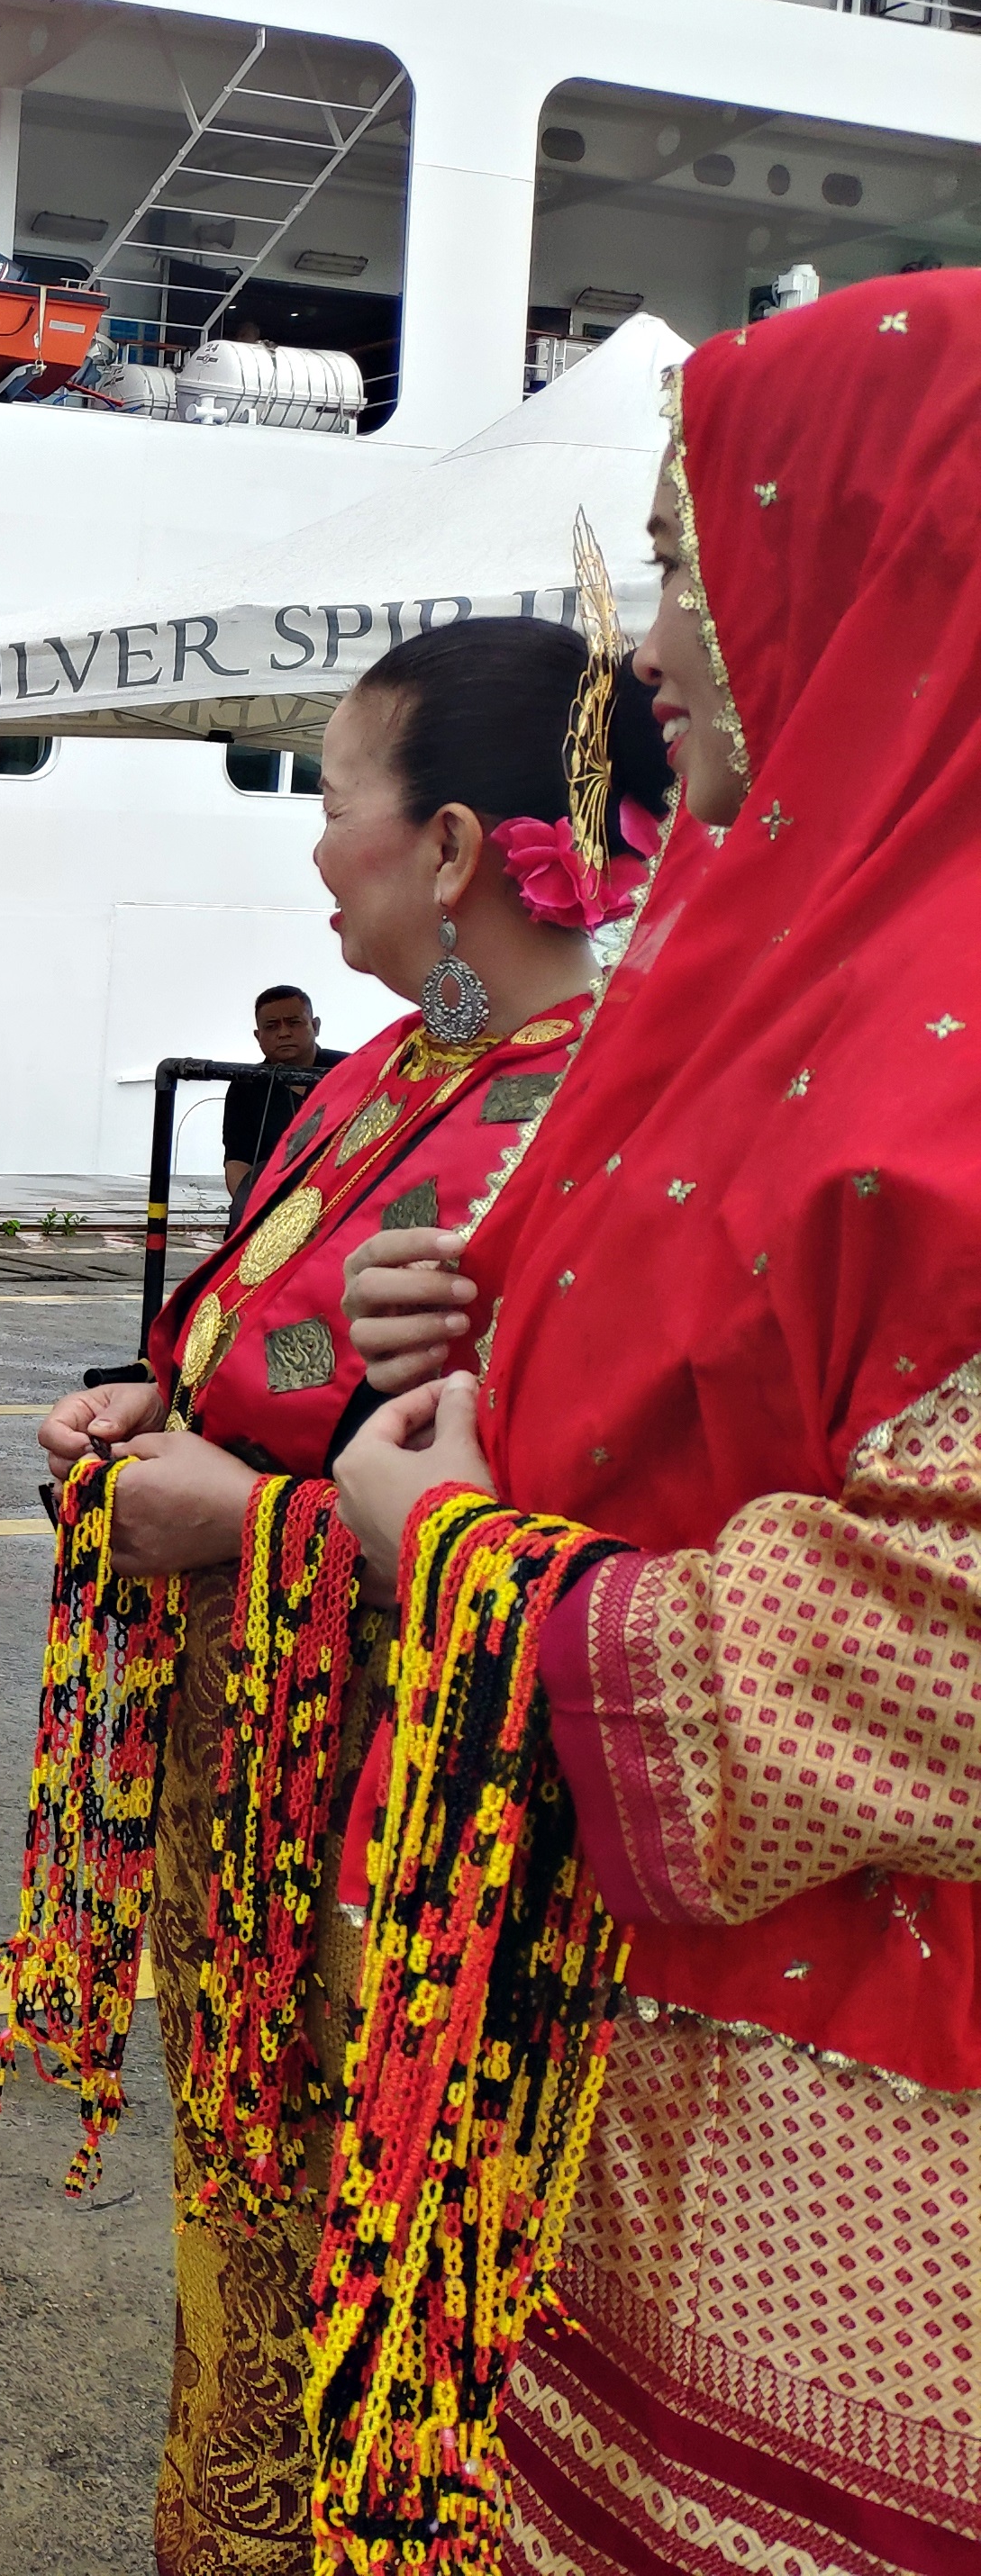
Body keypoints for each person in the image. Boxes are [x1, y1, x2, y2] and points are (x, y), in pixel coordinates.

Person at [334, 276, 981, 2572]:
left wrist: (473, 1566)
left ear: (883, 567)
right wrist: (480, 1324)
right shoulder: (789, 941)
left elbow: (951, 1643)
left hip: (859, 2165)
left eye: (705, 562)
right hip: (614, 2062)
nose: (661, 650)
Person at [0, 616, 666, 2572]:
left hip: (392, 1846)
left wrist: (238, 1523)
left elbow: (534, 1528)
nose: (315, 849)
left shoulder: (582, 1121)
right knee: (252, 2262)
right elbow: (286, 1373)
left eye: (336, 799)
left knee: (375, 2288)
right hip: (271, 1808)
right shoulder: (402, 1066)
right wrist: (165, 1396)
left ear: (449, 844)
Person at [218, 983, 344, 1204]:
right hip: (272, 1203)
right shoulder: (245, 1084)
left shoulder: (350, 1069)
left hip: (342, 1198)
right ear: (258, 1036)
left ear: (315, 1026)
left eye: (294, 1023)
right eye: (272, 1026)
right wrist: (252, 1209)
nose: (284, 1033)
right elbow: (238, 1162)